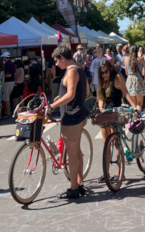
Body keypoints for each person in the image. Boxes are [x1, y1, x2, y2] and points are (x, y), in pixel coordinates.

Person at [50, 46, 89, 199]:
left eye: (57, 61)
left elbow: (71, 93)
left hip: (72, 115)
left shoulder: (71, 71)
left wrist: (54, 105)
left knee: (72, 153)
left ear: (63, 58)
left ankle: (73, 188)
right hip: (78, 114)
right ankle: (79, 183)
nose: (56, 64)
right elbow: (85, 90)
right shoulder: (79, 69)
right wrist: (61, 99)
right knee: (77, 151)